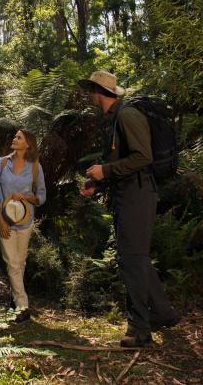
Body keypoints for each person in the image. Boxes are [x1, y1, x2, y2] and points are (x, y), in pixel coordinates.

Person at [78, 70, 178, 348]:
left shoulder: (127, 116)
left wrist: (105, 169)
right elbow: (120, 164)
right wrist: (96, 182)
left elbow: (142, 157)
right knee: (136, 257)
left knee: (132, 259)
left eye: (90, 90)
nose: (88, 95)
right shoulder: (114, 119)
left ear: (98, 91)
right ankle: (163, 313)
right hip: (128, 193)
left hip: (138, 194)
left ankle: (139, 329)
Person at [0, 129, 46, 323]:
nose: (14, 139)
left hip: (25, 221)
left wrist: (26, 196)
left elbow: (41, 196)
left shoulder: (35, 166)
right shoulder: (2, 163)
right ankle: (23, 306)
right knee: (12, 262)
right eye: (14, 136)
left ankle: (15, 300)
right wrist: (0, 221)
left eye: (18, 137)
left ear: (28, 144)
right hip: (4, 221)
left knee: (20, 262)